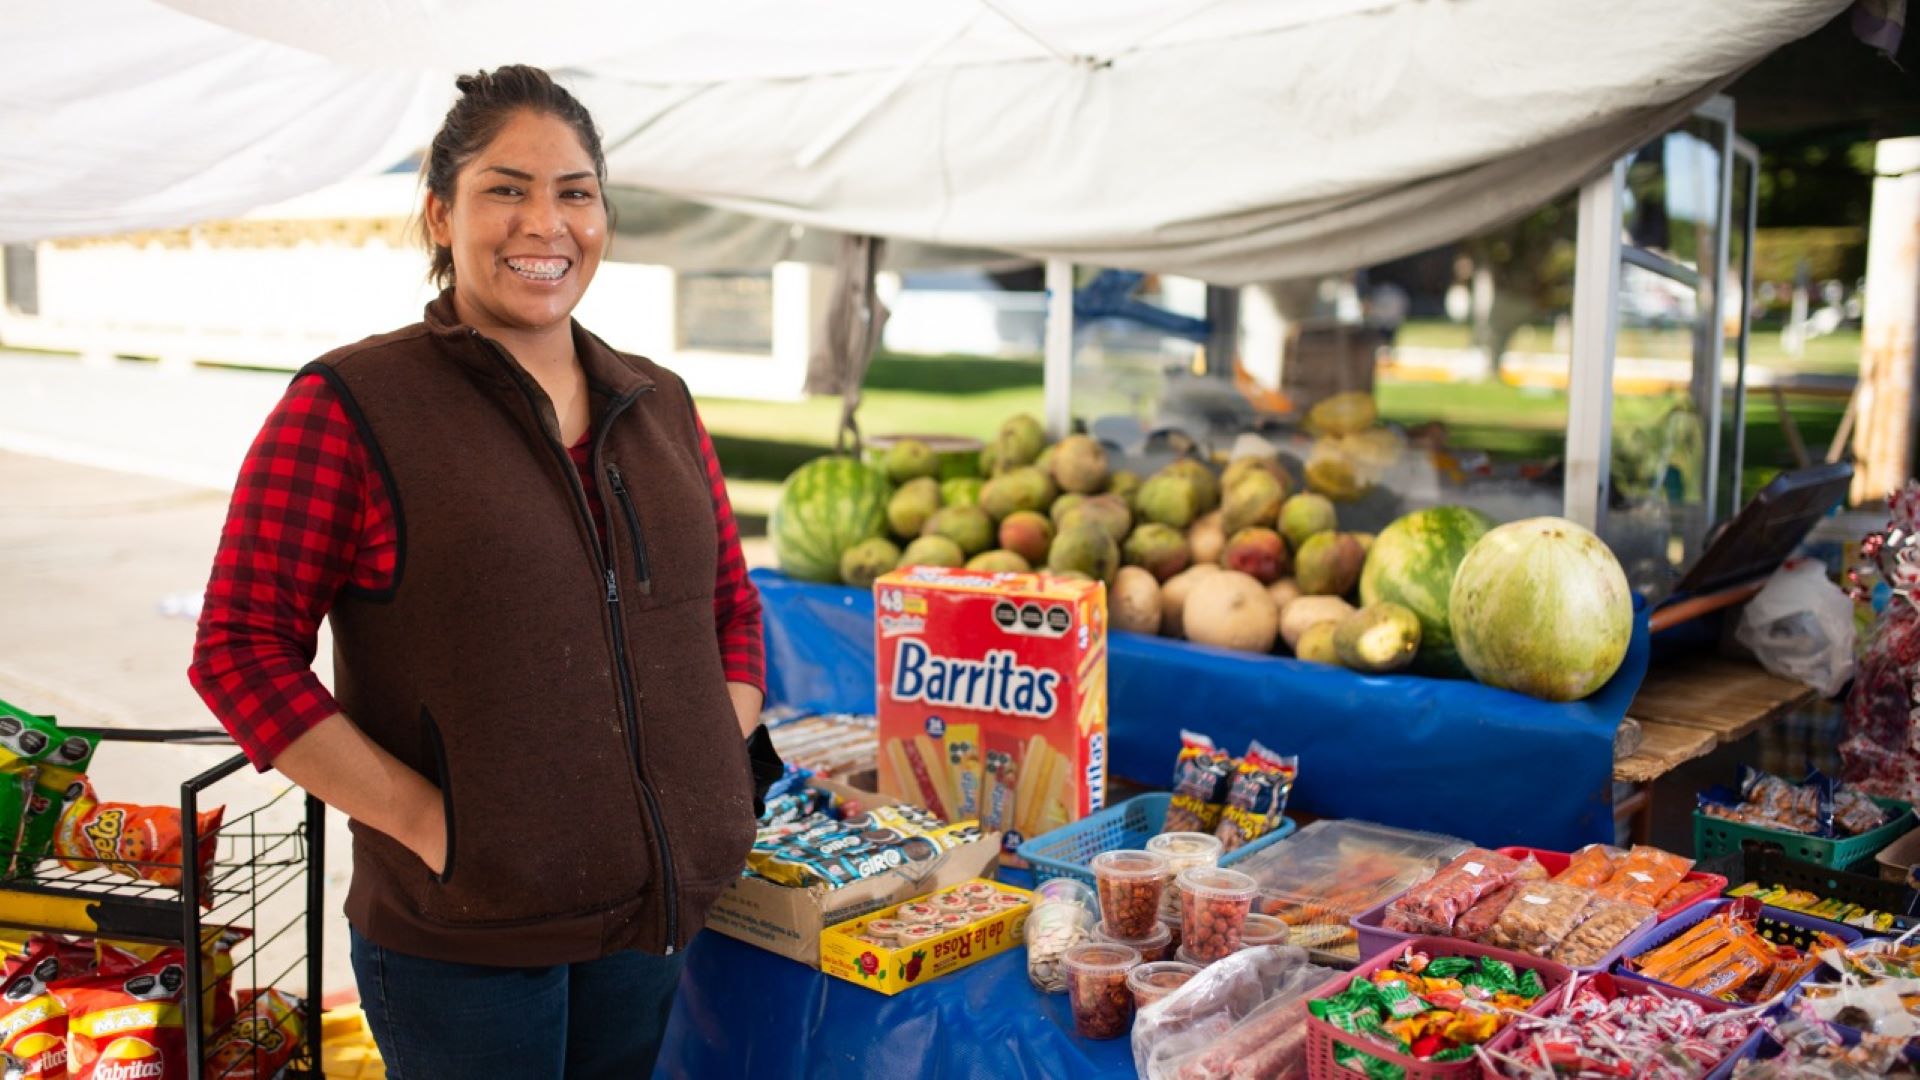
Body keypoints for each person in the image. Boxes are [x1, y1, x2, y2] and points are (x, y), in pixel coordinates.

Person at [188, 65, 781, 1078]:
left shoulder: (660, 401)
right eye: (506, 189)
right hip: (463, 944)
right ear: (438, 214)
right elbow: (239, 651)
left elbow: (725, 603)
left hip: (649, 921)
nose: (544, 224)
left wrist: (704, 763)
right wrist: (430, 823)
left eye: (574, 192)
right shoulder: (351, 405)